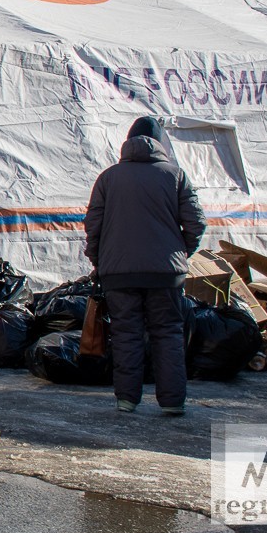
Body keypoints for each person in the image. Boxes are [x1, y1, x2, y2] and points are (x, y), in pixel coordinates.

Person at [84, 116, 205, 416]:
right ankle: (173, 401)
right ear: (160, 143)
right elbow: (196, 223)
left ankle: (126, 400)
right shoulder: (176, 176)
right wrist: (180, 253)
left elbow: (93, 226)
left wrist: (99, 261)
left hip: (119, 273)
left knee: (126, 334)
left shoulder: (108, 178)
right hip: (166, 273)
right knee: (168, 334)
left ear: (128, 142)